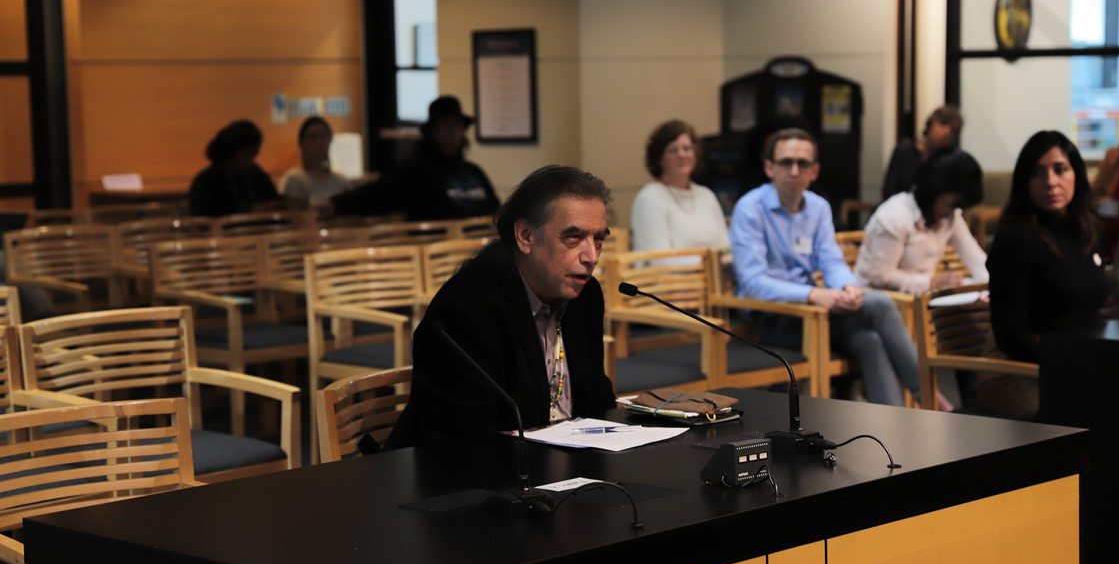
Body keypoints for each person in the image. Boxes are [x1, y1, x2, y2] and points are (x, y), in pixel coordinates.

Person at [386, 165, 617, 449]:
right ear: (526, 236)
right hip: (474, 476)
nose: (591, 256)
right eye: (573, 238)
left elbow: (597, 401)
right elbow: (464, 439)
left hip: (568, 468)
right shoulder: (467, 308)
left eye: (598, 239)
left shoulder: (585, 296)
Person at [729, 128, 932, 408]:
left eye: (803, 164)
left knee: (869, 340)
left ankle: (894, 425)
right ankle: (930, 398)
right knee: (881, 305)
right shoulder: (750, 209)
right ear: (769, 167)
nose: (794, 171)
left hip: (815, 313)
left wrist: (848, 287)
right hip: (773, 315)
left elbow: (831, 261)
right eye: (786, 162)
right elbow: (753, 282)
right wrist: (813, 295)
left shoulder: (818, 207)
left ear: (815, 171)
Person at [981, 130, 1109, 420]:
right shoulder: (1015, 239)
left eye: (1060, 170)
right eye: (1038, 173)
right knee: (1104, 412)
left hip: (1071, 365)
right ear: (1024, 183)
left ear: (1076, 173)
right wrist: (1074, 359)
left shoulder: (1085, 230)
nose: (1051, 182)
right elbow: (1011, 337)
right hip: (1016, 374)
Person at [331, 96, 499, 220]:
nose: (452, 129)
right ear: (432, 130)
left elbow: (497, 212)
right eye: (446, 123)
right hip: (438, 255)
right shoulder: (415, 171)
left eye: (457, 124)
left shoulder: (474, 172)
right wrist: (336, 204)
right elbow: (376, 193)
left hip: (480, 251)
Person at [855, 148, 988, 295]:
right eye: (953, 203)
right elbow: (879, 277)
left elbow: (976, 260)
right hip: (883, 301)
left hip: (922, 299)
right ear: (934, 189)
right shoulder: (896, 216)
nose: (954, 210)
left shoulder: (950, 215)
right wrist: (931, 283)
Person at [630, 120, 729, 255]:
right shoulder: (649, 198)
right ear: (660, 159)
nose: (681, 155)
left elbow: (725, 249)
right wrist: (709, 267)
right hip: (666, 275)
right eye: (673, 150)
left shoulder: (707, 196)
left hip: (715, 274)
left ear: (695, 155)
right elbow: (658, 261)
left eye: (687, 149)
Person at [188, 119, 280, 217]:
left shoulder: (255, 173)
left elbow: (274, 200)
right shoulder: (206, 181)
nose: (250, 162)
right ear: (230, 152)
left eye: (253, 157)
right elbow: (203, 221)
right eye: (247, 156)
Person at [881, 105, 964, 201]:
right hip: (898, 210)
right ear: (930, 124)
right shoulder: (904, 151)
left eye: (953, 130)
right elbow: (889, 190)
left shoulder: (951, 160)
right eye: (943, 124)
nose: (946, 132)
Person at [277, 116, 351, 213]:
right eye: (313, 137)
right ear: (302, 142)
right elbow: (295, 218)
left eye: (324, 136)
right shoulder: (293, 179)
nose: (319, 143)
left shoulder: (342, 181)